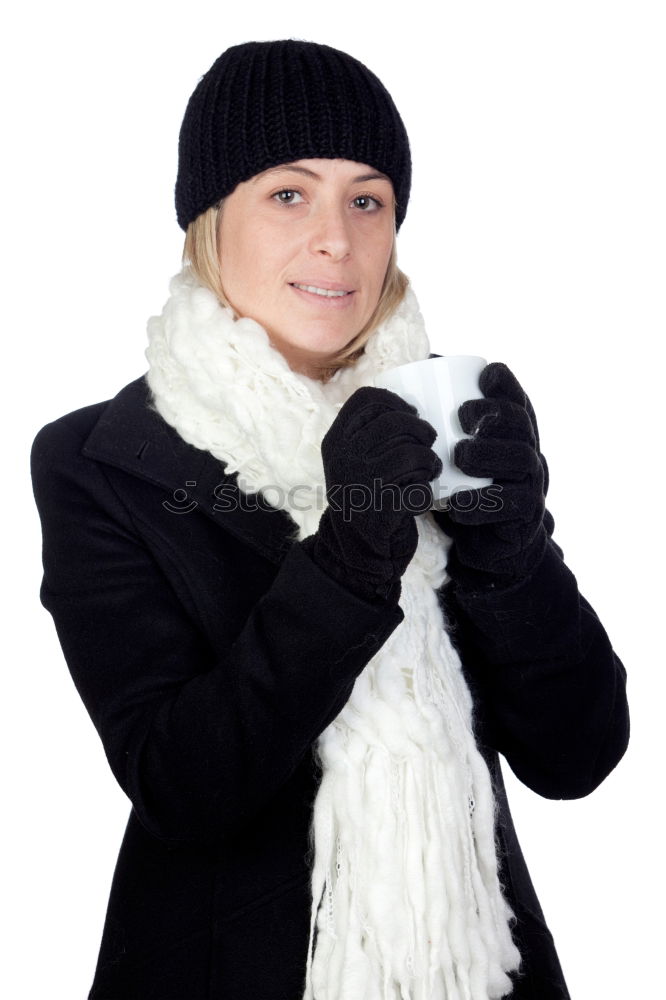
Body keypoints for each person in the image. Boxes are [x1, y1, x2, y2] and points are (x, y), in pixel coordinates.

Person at [30, 39, 629, 1000]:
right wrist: (350, 553)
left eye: (367, 199)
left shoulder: (440, 427)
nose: (336, 241)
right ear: (208, 216)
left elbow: (579, 757)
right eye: (287, 194)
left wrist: (513, 552)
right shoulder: (103, 462)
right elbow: (182, 786)